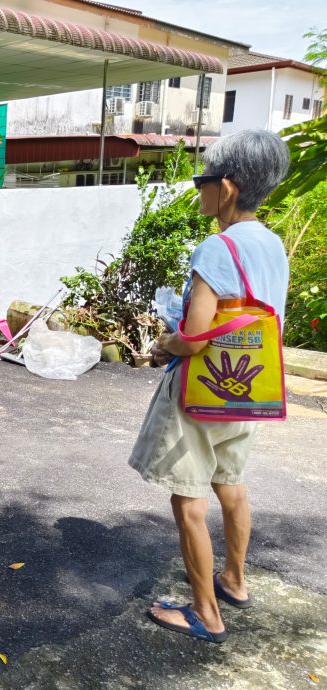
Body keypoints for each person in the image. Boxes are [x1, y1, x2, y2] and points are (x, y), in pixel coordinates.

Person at [129, 129, 290, 643]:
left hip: (204, 392)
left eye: (203, 180)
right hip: (250, 389)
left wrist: (164, 345)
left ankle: (205, 612)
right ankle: (235, 581)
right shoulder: (272, 243)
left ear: (228, 187)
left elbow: (196, 335)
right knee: (231, 483)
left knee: (189, 502)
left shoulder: (217, 247)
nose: (198, 189)